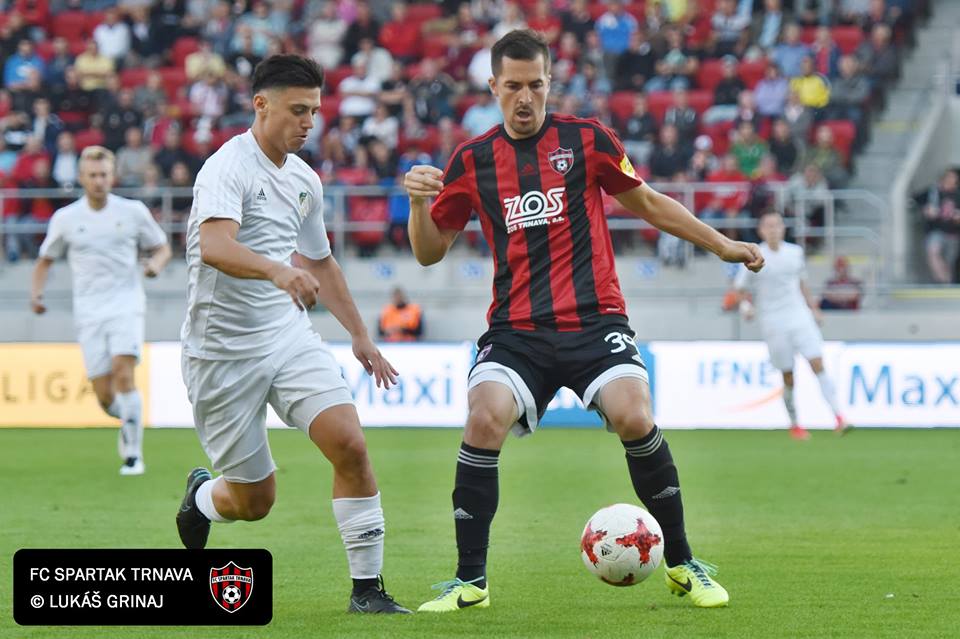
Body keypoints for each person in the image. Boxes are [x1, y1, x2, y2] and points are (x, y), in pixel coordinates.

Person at [403, 29, 765, 612]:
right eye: (513, 86)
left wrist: (720, 244)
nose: (525, 98)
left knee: (634, 414)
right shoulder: (471, 160)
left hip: (595, 321)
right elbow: (428, 252)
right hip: (516, 330)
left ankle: (681, 562)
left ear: (551, 82)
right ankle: (470, 581)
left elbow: (645, 200)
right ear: (493, 86)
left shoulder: (587, 139)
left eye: (536, 85)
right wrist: (420, 203)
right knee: (483, 417)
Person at [173, 54, 409, 614]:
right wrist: (280, 269)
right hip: (221, 354)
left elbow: (322, 264)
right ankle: (203, 497)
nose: (309, 123)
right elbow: (215, 246)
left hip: (286, 336)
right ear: (262, 105)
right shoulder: (226, 167)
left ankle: (367, 592)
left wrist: (360, 335)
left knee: (349, 444)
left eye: (315, 111)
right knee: (255, 503)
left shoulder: (305, 178)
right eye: (298, 111)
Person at [30, 146, 172, 475]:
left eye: (104, 175)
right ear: (81, 178)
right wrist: (37, 294)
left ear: (113, 176)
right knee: (105, 397)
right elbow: (45, 260)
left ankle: (133, 455)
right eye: (92, 175)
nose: (98, 181)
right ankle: (128, 419)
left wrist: (154, 265)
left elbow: (162, 247)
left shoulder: (133, 211)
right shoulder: (66, 219)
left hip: (126, 304)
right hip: (89, 311)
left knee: (124, 373)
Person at [733, 211, 850, 440]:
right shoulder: (753, 255)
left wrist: (813, 309)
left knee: (817, 362)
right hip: (773, 321)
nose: (773, 230)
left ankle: (839, 417)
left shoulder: (795, 253)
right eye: (768, 226)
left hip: (799, 316)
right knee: (788, 375)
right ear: (761, 230)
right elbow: (739, 290)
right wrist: (745, 306)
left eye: (777, 225)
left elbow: (802, 284)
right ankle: (795, 423)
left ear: (783, 228)